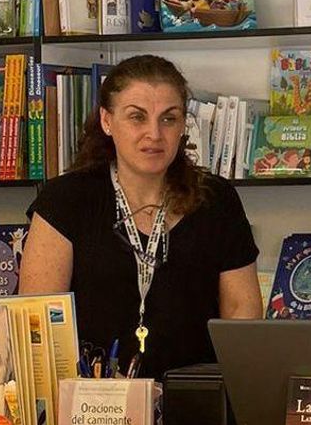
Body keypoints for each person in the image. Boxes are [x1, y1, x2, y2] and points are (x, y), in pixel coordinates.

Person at [20, 55, 261, 380]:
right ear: (107, 121)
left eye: (169, 119)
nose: (154, 134)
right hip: (93, 409)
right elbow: (39, 326)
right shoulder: (65, 201)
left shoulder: (217, 200)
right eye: (137, 117)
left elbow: (243, 313)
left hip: (196, 407)